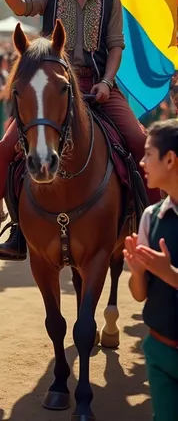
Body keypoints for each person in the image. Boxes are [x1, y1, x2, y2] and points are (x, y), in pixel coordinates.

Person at [0, 0, 153, 260]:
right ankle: (17, 227)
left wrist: (107, 82)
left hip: (97, 84)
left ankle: (147, 222)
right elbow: (21, 7)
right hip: (52, 85)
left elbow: (115, 46)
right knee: (6, 149)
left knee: (139, 142)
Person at [124, 119, 178, 421]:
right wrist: (137, 273)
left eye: (147, 155)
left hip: (106, 93)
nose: (142, 162)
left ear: (170, 159)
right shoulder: (149, 216)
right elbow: (139, 295)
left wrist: (168, 273)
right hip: (158, 348)